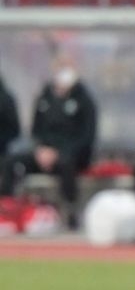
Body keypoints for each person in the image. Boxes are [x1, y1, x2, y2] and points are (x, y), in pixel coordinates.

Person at [1, 59, 98, 223]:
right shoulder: (44, 98)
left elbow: (86, 136)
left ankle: (70, 211)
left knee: (67, 165)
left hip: (70, 155)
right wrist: (40, 150)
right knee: (12, 162)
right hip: (42, 153)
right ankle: (7, 207)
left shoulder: (84, 101)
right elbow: (36, 130)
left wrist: (59, 153)